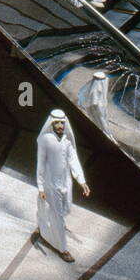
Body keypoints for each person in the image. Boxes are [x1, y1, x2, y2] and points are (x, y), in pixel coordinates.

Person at [35, 109, 89, 263]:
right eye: (57, 123)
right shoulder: (45, 140)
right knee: (58, 216)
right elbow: (40, 164)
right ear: (51, 124)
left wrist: (82, 180)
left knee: (66, 210)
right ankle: (63, 249)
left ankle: (44, 228)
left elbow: (73, 160)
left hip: (66, 183)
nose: (60, 125)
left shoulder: (67, 140)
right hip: (50, 184)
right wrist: (40, 186)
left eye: (62, 123)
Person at [79, 72, 114, 141]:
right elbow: (95, 103)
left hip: (98, 110)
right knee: (101, 124)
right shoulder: (96, 89)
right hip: (98, 111)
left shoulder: (96, 87)